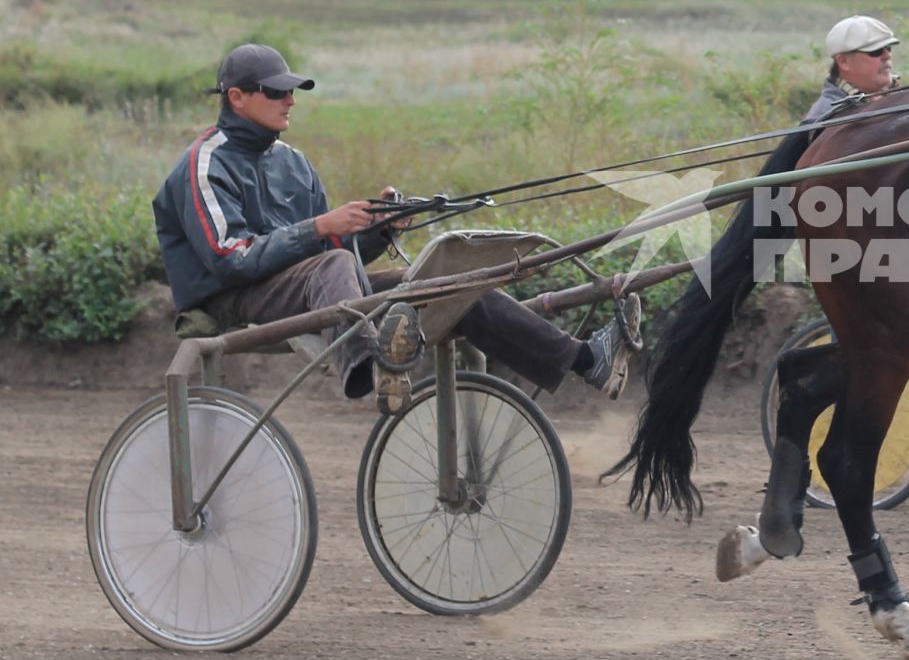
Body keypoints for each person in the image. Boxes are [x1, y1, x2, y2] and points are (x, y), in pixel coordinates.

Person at [152, 42, 640, 413]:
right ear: (237, 97)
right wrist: (323, 227)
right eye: (277, 92)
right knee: (335, 261)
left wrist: (381, 228)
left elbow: (337, 256)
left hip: (307, 287)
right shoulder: (203, 164)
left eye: (293, 91)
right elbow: (231, 259)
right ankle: (376, 366)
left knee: (448, 282)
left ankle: (583, 360)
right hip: (236, 299)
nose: (291, 101)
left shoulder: (293, 162)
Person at [803, 15, 899, 125]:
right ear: (843, 62)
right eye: (876, 51)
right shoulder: (823, 118)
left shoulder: (904, 95)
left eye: (888, 48)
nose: (887, 56)